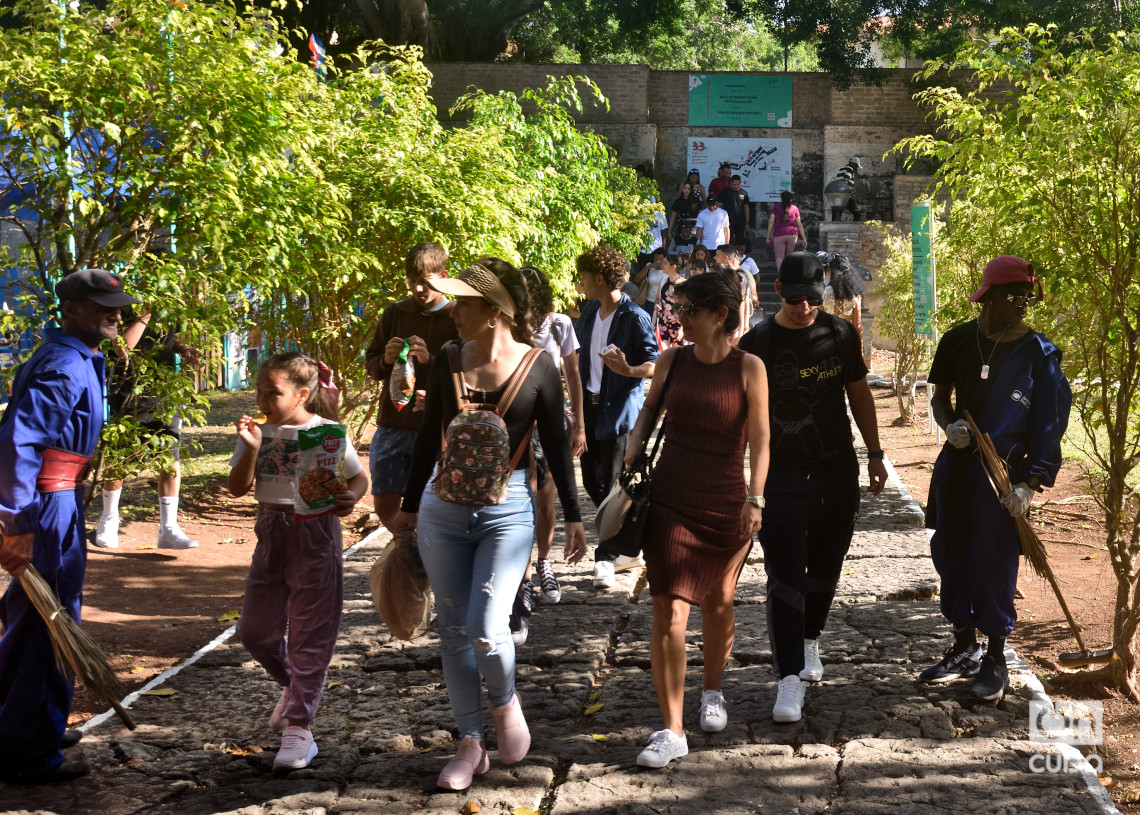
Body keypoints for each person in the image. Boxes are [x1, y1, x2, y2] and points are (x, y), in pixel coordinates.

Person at [390, 263, 588, 791]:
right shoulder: (450, 360)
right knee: (453, 631)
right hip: (442, 511)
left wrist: (572, 516)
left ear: (494, 311)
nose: (453, 312)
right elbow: (428, 439)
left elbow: (555, 449)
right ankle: (470, 742)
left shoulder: (540, 365)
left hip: (508, 511)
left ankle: (504, 704)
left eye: (464, 304)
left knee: (485, 627)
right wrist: (409, 505)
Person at [0, 268, 140, 784]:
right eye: (104, 307)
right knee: (47, 623)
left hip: (60, 498)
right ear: (73, 308)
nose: (116, 314)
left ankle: (27, 722)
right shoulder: (64, 365)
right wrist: (18, 523)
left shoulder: (79, 355)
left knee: (41, 615)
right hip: (47, 504)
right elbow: (20, 441)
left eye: (118, 306)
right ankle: (26, 750)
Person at [628, 270, 770, 769]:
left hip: (727, 501)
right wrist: (633, 442)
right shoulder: (672, 360)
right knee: (668, 609)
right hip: (670, 498)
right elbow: (649, 410)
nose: (680, 318)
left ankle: (712, 690)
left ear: (719, 316)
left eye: (690, 310)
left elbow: (760, 439)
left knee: (719, 601)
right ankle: (671, 729)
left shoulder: (749, 367)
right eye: (678, 309)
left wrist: (756, 498)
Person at [738, 252, 887, 724]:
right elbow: (739, 411)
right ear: (778, 290)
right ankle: (788, 677)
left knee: (826, 566)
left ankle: (810, 639)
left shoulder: (839, 333)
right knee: (784, 574)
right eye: (797, 298)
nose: (805, 308)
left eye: (814, 299)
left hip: (835, 469)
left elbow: (859, 393)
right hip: (780, 473)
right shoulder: (757, 341)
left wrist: (877, 454)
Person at [920, 255, 1071, 701]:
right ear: (989, 296)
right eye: (1015, 295)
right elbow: (940, 397)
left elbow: (1049, 424)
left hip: (1003, 476)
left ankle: (996, 658)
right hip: (958, 466)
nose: (1024, 303)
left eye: (1029, 296)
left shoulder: (1039, 355)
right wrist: (949, 427)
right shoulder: (958, 341)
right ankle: (964, 646)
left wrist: (1030, 484)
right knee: (950, 552)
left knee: (995, 560)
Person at [228, 352, 368, 771]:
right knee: (255, 631)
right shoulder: (257, 432)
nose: (264, 399)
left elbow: (359, 477)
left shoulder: (326, 433)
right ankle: (296, 687)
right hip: (271, 534)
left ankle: (299, 729)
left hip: (317, 534)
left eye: (275, 392)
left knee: (311, 633)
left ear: (303, 394)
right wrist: (252, 450)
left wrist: (352, 496)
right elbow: (237, 487)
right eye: (260, 391)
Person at [575, 247, 658, 589]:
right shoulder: (590, 310)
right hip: (590, 407)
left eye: (583, 276)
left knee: (611, 484)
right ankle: (626, 544)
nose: (579, 282)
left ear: (597, 278)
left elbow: (654, 364)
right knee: (593, 482)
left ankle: (606, 559)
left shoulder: (634, 316)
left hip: (620, 409)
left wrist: (627, 369)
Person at [512, 266, 587, 633]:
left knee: (546, 499)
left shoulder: (559, 325)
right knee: (522, 498)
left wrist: (581, 426)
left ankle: (544, 563)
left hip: (552, 422)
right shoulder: (511, 327)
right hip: (518, 423)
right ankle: (523, 578)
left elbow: (573, 375)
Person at [363, 242, 457, 532]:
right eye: (412, 282)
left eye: (425, 281)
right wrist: (386, 359)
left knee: (432, 504)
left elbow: (469, 375)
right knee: (385, 505)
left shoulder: (457, 316)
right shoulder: (395, 313)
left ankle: (423, 559)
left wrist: (431, 361)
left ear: (444, 276)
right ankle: (406, 552)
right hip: (394, 423)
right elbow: (371, 364)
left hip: (436, 428)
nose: (418, 289)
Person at [94, 310, 201, 550]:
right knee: (119, 459)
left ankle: (169, 528)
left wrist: (183, 350)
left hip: (164, 394)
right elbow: (122, 348)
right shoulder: (129, 308)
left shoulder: (168, 306)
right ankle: (109, 519)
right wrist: (145, 315)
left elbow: (167, 338)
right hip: (128, 394)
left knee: (170, 458)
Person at [714, 244, 760, 340]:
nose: (714, 258)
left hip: (735, 324)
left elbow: (744, 302)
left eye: (717, 255)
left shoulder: (740, 276)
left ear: (726, 258)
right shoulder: (718, 273)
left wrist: (744, 327)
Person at [821, 254, 865, 352]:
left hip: (826, 343)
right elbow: (857, 326)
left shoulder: (823, 294)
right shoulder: (855, 297)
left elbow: (818, 321)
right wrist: (860, 348)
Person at [766, 191, 807, 272]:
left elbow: (771, 222)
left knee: (779, 257)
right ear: (791, 199)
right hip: (792, 235)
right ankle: (788, 275)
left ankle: (781, 275)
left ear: (781, 199)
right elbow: (799, 224)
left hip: (779, 234)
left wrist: (768, 236)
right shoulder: (795, 208)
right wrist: (804, 238)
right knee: (789, 256)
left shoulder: (776, 207)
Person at [654, 254, 686, 348]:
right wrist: (656, 304)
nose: (662, 265)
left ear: (673, 266)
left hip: (678, 325)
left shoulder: (684, 284)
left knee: (678, 356)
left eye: (665, 263)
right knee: (661, 352)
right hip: (663, 323)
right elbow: (657, 299)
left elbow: (687, 308)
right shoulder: (663, 280)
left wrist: (682, 328)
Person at [718, 175, 751, 249]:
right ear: (730, 183)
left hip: (741, 221)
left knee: (741, 240)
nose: (736, 186)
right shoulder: (724, 192)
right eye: (734, 184)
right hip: (728, 221)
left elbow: (746, 208)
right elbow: (719, 206)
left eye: (738, 184)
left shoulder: (744, 193)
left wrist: (747, 222)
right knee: (729, 240)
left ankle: (739, 256)